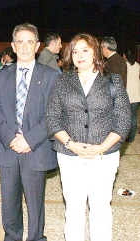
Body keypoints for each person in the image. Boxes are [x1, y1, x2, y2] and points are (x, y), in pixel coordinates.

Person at [46, 33, 131, 241]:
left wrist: (101, 147)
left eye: (85, 50)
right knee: (74, 208)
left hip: (104, 157)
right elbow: (52, 117)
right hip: (69, 156)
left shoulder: (112, 80)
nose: (79, 55)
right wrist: (70, 143)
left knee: (100, 207)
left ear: (95, 52)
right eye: (75, 51)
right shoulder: (63, 81)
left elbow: (123, 120)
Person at [0, 23, 59, 241]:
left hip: (36, 149)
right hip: (9, 149)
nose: (25, 46)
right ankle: (12, 237)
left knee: (35, 204)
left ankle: (36, 238)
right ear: (12, 45)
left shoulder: (51, 76)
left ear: (38, 45)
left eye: (30, 41)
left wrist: (29, 139)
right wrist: (12, 139)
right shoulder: (2, 76)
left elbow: (53, 114)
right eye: (20, 41)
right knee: (9, 203)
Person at [123, 49, 140, 142]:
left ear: (125, 56)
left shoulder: (125, 65)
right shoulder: (137, 65)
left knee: (126, 117)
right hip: (136, 95)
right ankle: (132, 138)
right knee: (133, 117)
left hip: (127, 94)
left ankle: (125, 135)